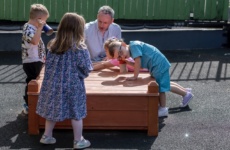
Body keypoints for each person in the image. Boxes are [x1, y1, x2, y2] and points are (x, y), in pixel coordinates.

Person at [36, 13, 93, 149]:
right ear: (78, 29)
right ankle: (78, 140)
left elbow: (48, 66)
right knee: (76, 113)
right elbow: (86, 68)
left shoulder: (53, 46)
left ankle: (47, 136)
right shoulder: (80, 48)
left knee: (53, 110)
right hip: (73, 87)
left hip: (53, 86)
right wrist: (80, 75)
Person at [104, 38, 194, 117]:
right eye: (119, 57)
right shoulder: (132, 50)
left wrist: (135, 77)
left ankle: (164, 108)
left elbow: (138, 64)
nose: (122, 56)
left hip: (158, 65)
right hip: (158, 64)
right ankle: (185, 91)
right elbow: (139, 66)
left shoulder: (134, 47)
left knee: (161, 88)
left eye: (120, 52)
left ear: (123, 44)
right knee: (165, 83)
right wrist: (126, 62)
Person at [21, 4, 49, 114]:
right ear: (39, 19)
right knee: (32, 82)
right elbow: (35, 41)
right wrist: (41, 28)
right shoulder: (28, 28)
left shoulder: (33, 28)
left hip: (37, 60)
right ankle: (29, 104)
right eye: (44, 20)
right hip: (31, 61)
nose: (45, 23)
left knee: (36, 81)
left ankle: (34, 103)